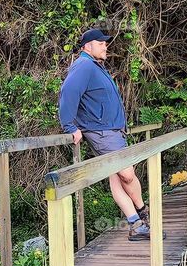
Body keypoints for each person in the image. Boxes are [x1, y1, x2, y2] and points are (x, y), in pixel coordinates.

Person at [58, 27, 151, 241]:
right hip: (102, 132)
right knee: (127, 174)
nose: (105, 46)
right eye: (101, 43)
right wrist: (70, 127)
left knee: (116, 177)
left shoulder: (95, 66)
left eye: (105, 43)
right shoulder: (84, 66)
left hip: (110, 130)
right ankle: (143, 214)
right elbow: (68, 93)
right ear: (87, 46)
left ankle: (136, 224)